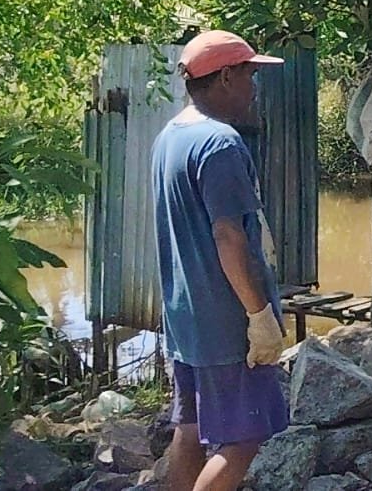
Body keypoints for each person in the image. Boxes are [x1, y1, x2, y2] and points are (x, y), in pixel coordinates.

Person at [153, 30, 288, 491]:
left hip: (184, 318)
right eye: (250, 75)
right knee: (244, 438)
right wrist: (259, 315)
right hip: (226, 320)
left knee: (190, 428)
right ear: (226, 76)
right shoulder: (221, 145)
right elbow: (229, 236)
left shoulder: (169, 137)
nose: (255, 88)